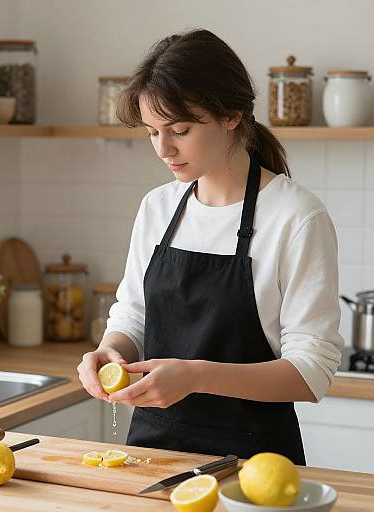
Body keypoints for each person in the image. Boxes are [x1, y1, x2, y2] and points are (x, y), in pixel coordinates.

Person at [77, 29, 343, 465]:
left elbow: (310, 373)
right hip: (151, 457)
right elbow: (134, 314)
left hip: (256, 469)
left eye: (179, 129)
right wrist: (111, 350)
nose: (164, 148)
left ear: (232, 115)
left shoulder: (296, 217)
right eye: (151, 133)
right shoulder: (157, 207)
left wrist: (195, 376)